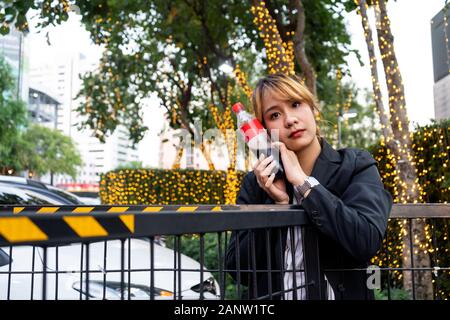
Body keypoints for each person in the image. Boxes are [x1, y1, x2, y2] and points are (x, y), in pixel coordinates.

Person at [225, 73, 393, 300]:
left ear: (313, 108)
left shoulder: (355, 165)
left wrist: (304, 185)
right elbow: (238, 270)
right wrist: (279, 206)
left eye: (296, 104)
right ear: (264, 130)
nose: (289, 119)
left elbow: (366, 240)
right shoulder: (255, 184)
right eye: (275, 114)